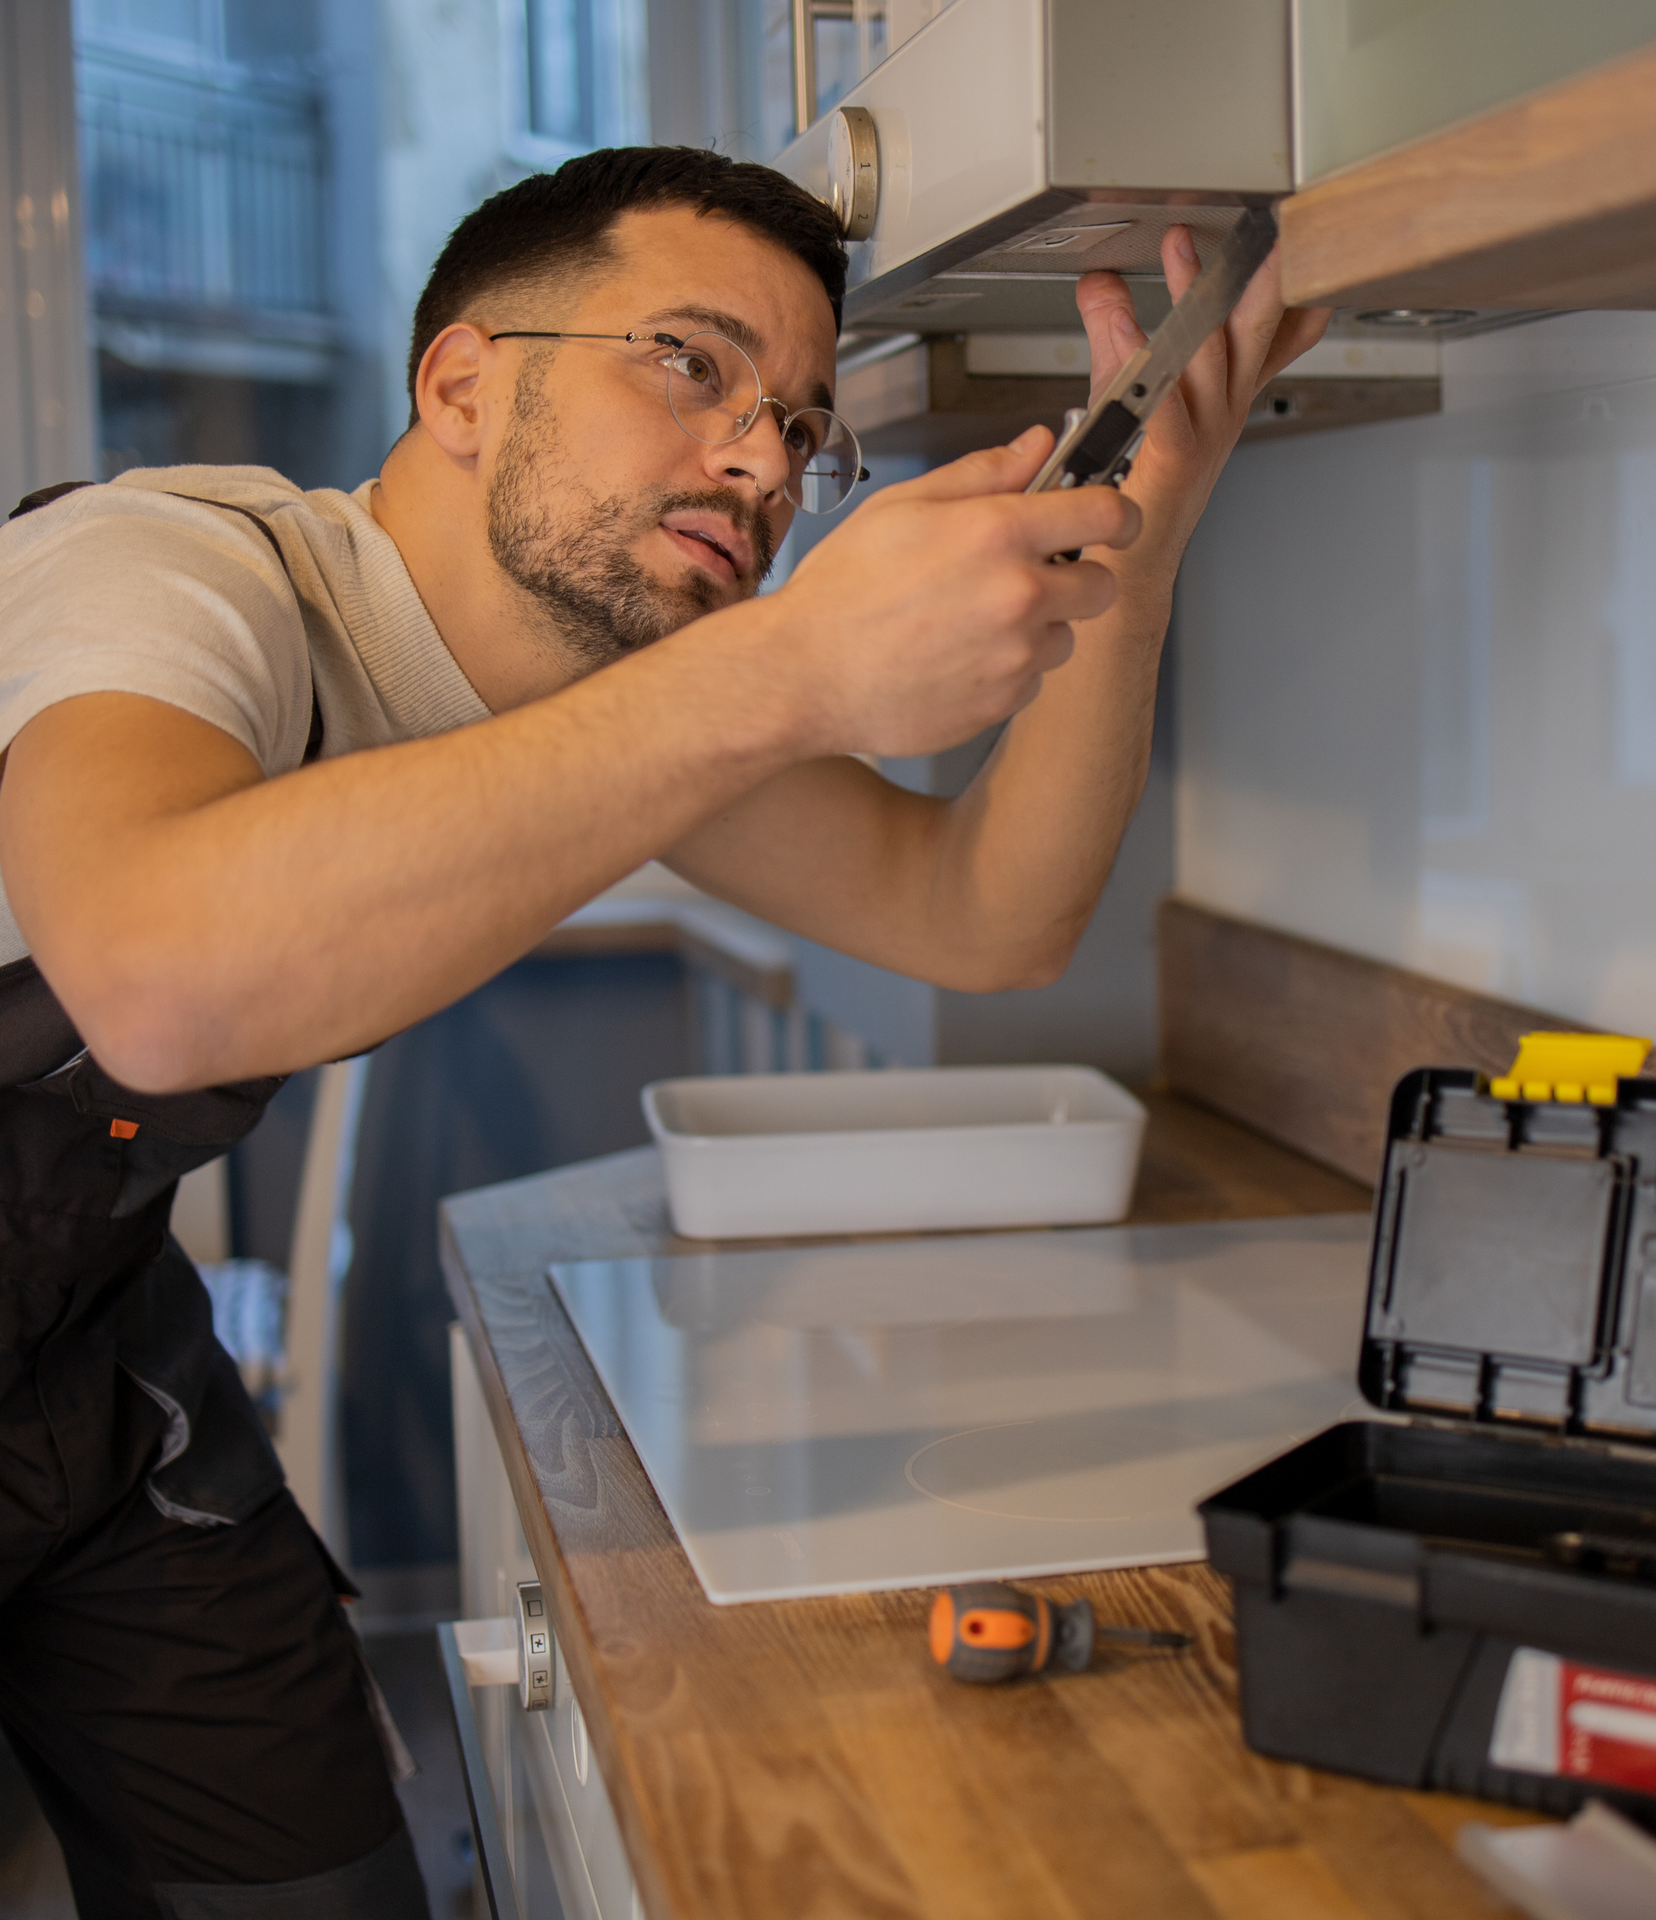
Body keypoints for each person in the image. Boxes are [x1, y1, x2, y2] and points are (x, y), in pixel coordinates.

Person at [0, 145, 1327, 1914]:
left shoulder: (619, 696)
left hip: (87, 1374)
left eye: (796, 421)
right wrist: (784, 669)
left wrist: (1135, 550)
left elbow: (980, 916)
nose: (761, 459)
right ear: (464, 381)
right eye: (688, 362)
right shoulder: (169, 571)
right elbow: (159, 979)